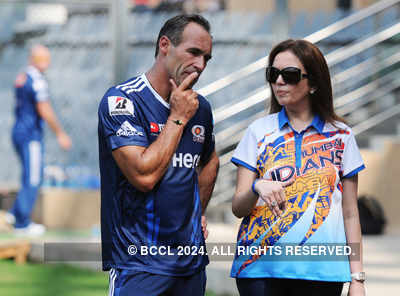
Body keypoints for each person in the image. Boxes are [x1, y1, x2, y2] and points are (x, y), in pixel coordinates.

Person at [230, 39, 366, 296]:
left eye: (289, 75)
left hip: (322, 271)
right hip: (259, 269)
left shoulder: (342, 136)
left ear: (313, 83)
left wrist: (357, 278)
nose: (278, 81)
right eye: (273, 74)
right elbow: (238, 207)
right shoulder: (258, 132)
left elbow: (350, 213)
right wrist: (257, 186)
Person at [97, 14, 219, 296]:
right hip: (138, 265)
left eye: (206, 58)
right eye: (194, 52)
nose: (200, 65)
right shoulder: (123, 101)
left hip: (190, 265)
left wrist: (197, 212)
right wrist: (177, 117)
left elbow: (210, 160)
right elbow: (144, 176)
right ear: (165, 45)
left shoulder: (200, 108)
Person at [5, 44, 72, 236]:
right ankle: (22, 222)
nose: (47, 63)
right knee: (33, 177)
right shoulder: (37, 80)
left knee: (28, 174)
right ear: (36, 59)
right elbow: (44, 108)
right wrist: (60, 133)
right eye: (44, 59)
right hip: (30, 134)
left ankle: (15, 213)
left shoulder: (22, 76)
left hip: (18, 131)